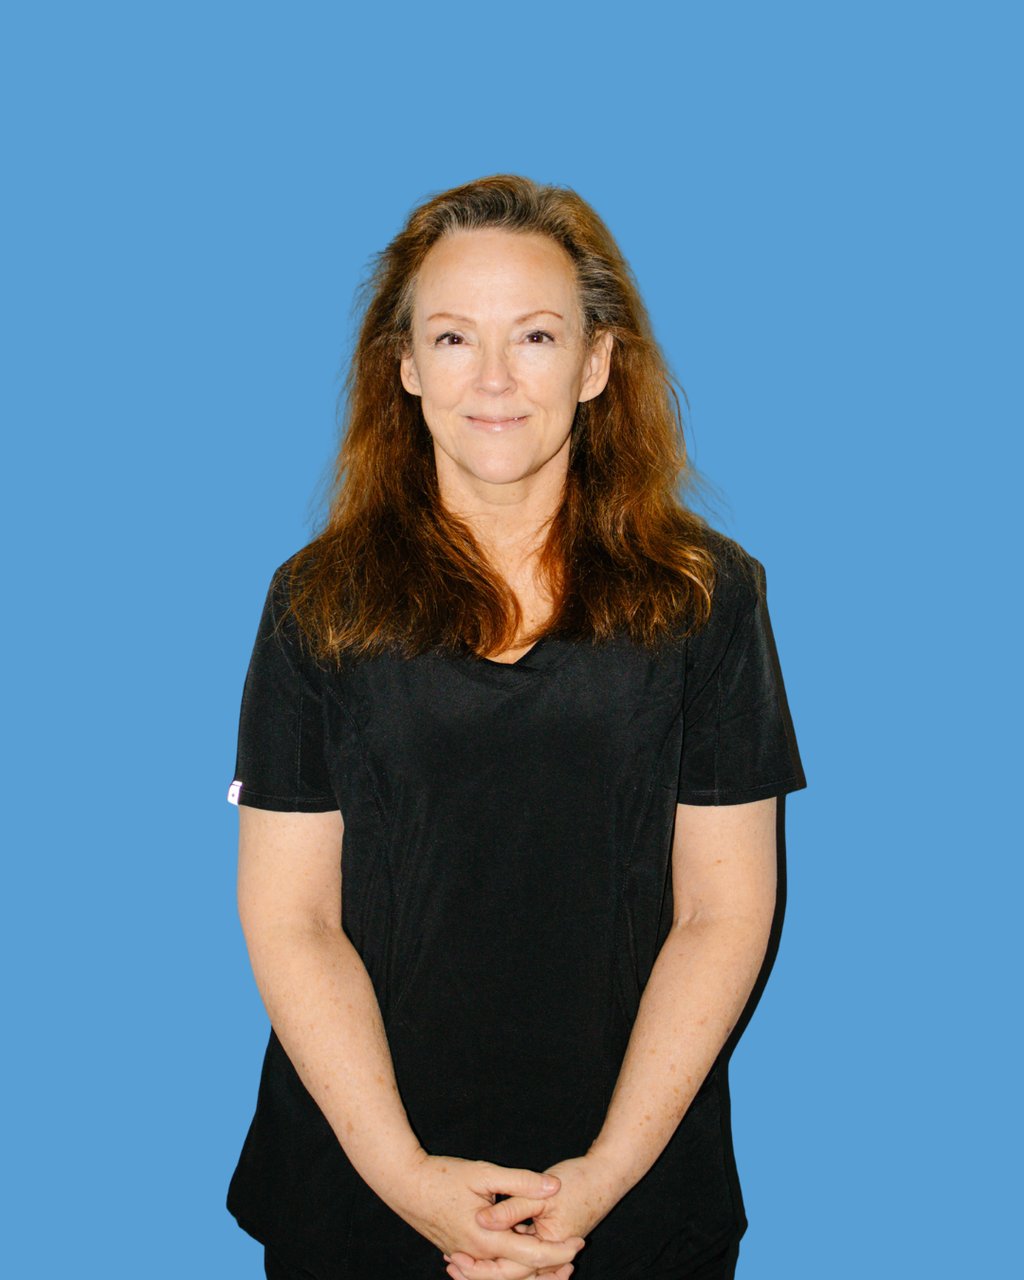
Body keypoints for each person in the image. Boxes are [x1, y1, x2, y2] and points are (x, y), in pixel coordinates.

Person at [225, 173, 807, 1280]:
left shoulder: (707, 597)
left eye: (535, 335)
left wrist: (600, 1178)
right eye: (452, 337)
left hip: (633, 1195)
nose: (492, 378)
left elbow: (723, 914)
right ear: (404, 365)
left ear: (596, 364)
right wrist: (406, 1178)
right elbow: (292, 918)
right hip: (359, 1190)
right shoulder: (318, 602)